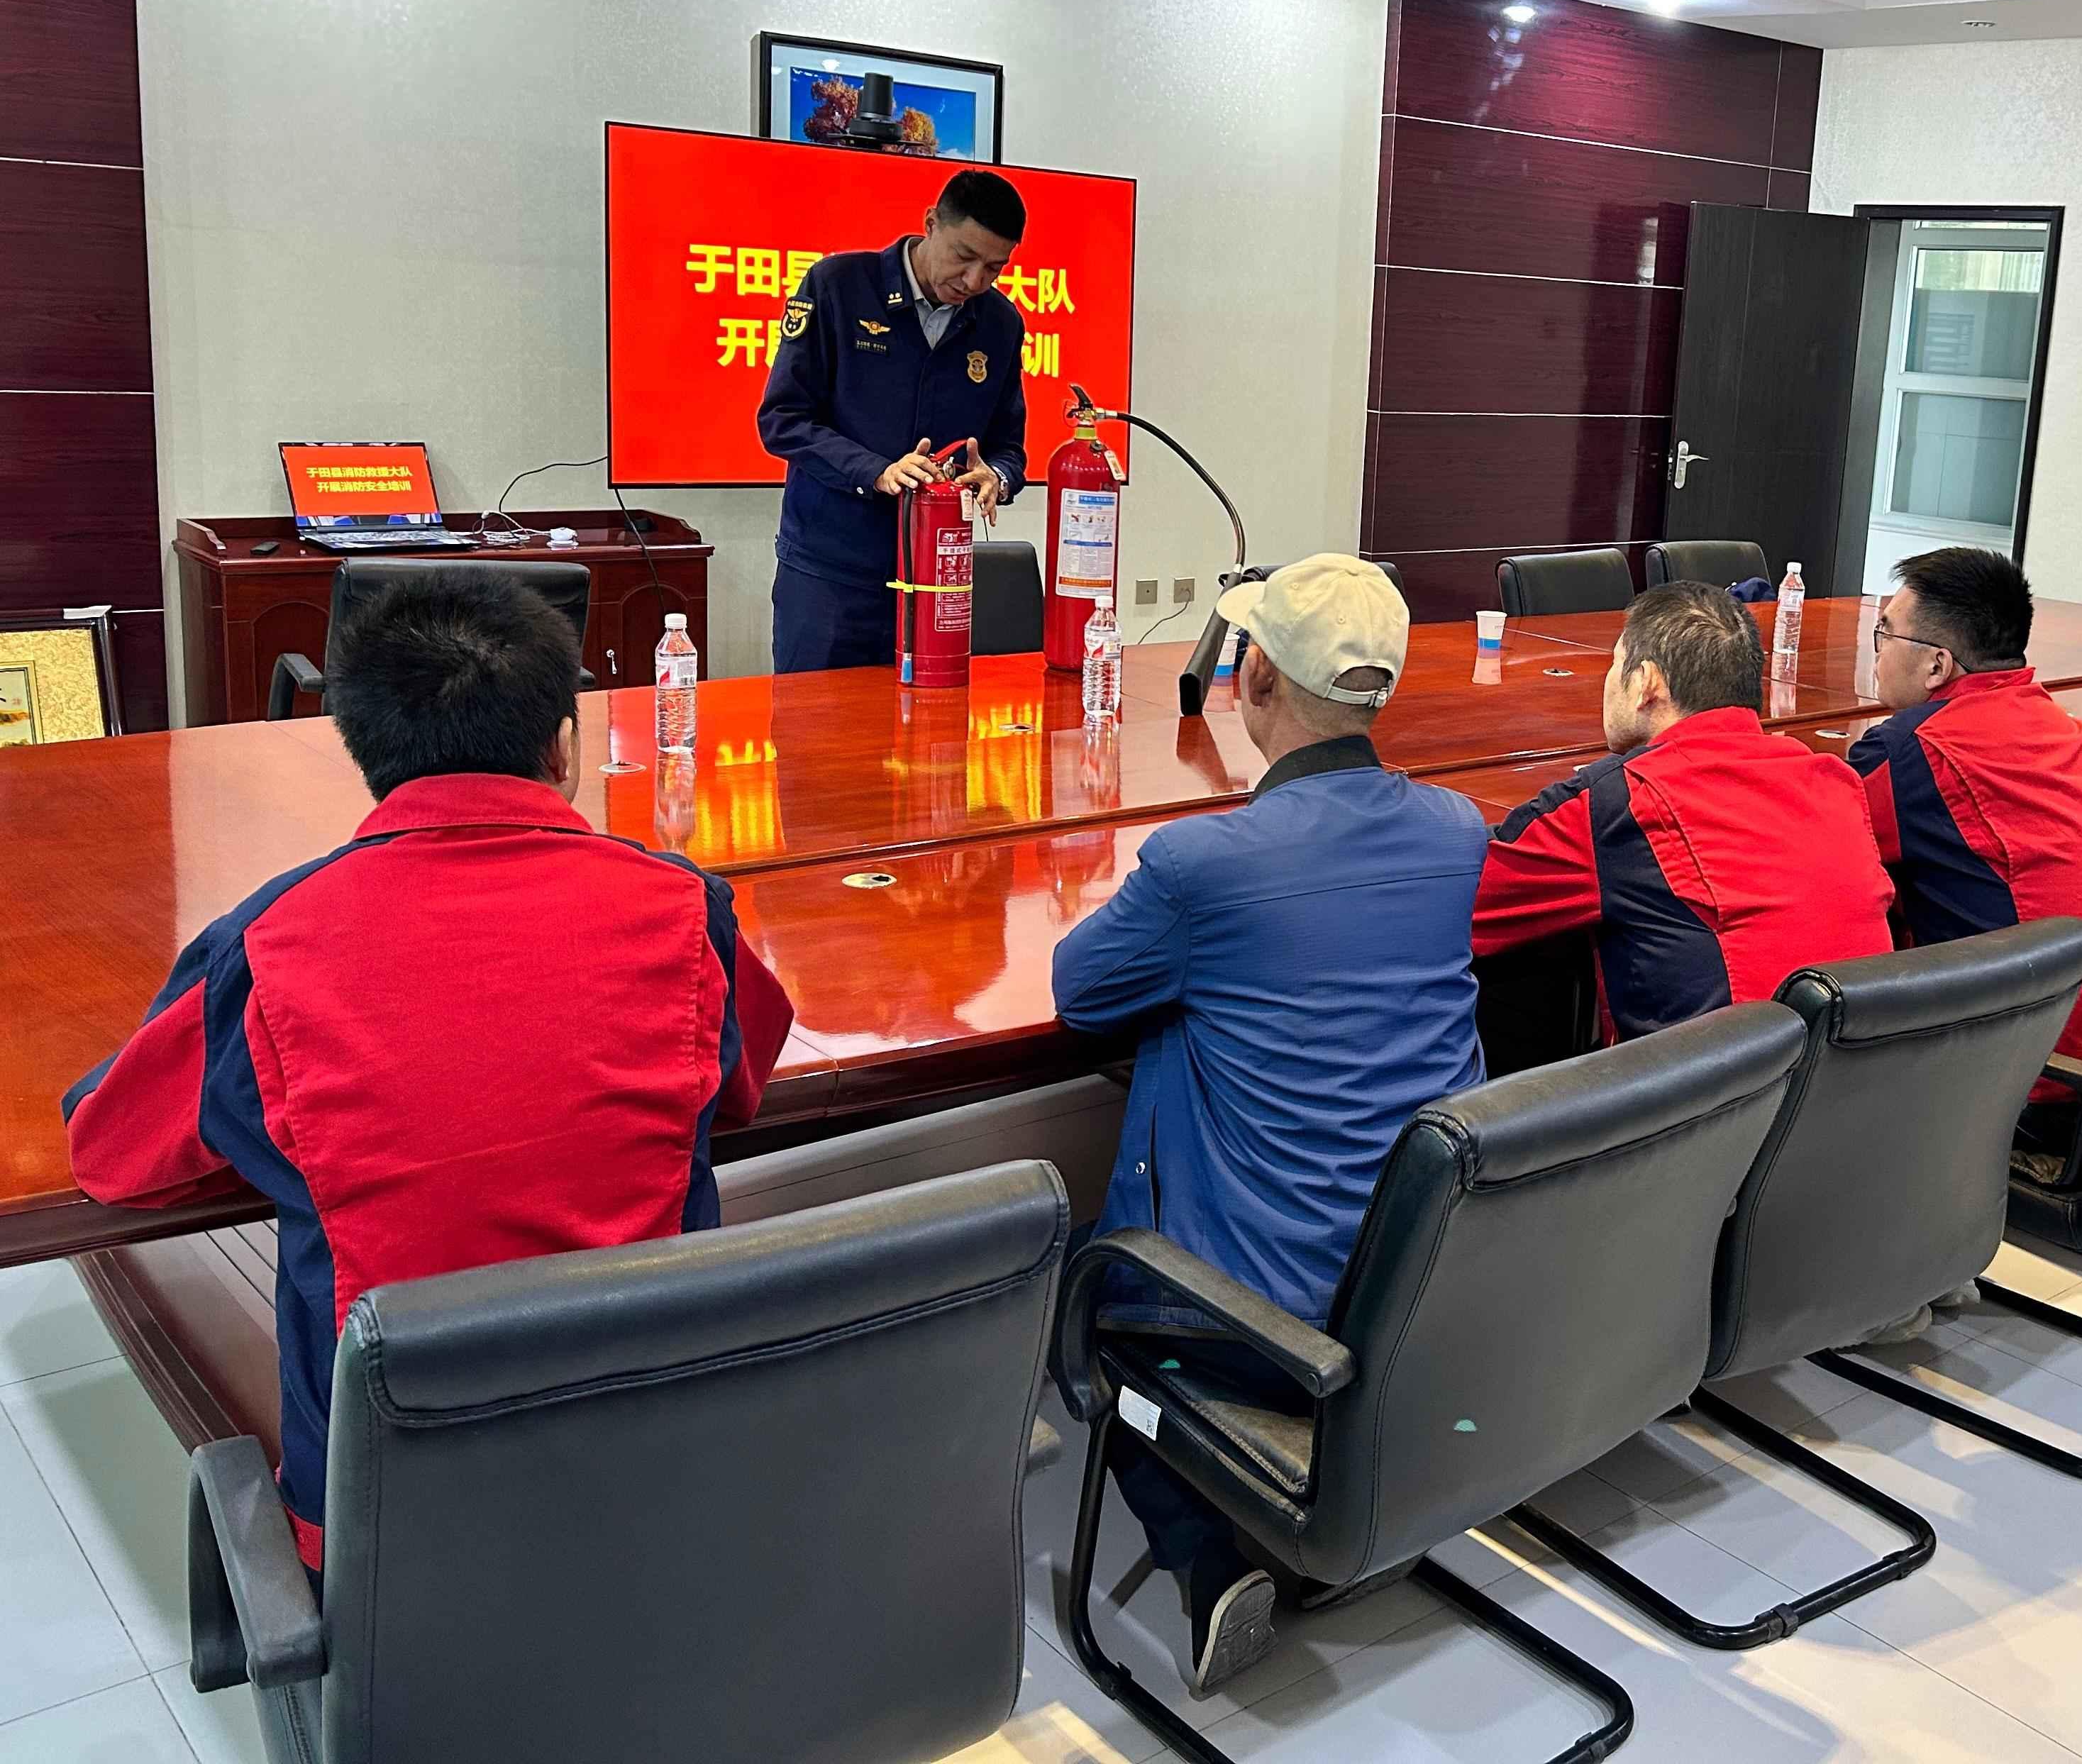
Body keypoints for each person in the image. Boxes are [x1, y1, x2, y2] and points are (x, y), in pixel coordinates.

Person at [62, 571, 792, 1572]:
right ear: (564, 748)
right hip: (658, 1473)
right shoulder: (686, 909)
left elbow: (111, 1156)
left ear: (363, 754)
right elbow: (744, 1086)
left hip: (387, 1534)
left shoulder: (269, 945)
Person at [1052, 555, 1485, 1697]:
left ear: (1251, 679)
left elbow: (1081, 991)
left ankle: (1208, 1555)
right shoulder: (1456, 830)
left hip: (1260, 1318)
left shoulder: (1204, 864)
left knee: (1077, 1286)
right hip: (1426, 1285)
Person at [1473, 582, 1893, 1041]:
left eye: (1615, 664)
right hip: (1869, 1068)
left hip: (1725, 1080)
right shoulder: (1835, 780)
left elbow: (1453, 898)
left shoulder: (1623, 801)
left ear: (1646, 683)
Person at [1849, 549, 2082, 1099]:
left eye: (1885, 634)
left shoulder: (1915, 751)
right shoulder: (2061, 727)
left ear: (1937, 665)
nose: (1878, 651)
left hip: (2019, 1069)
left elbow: (1820, 855)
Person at [756, 167, 1032, 673]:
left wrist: (997, 476)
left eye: (994, 268)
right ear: (931, 224)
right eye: (964, 256)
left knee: (936, 724)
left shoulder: (999, 323)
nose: (974, 281)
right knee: (815, 723)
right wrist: (876, 471)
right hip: (831, 576)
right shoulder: (839, 287)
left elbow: (1009, 447)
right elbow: (783, 419)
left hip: (935, 583)